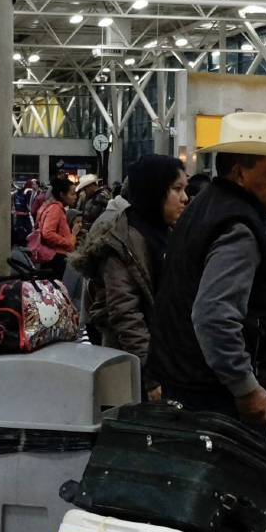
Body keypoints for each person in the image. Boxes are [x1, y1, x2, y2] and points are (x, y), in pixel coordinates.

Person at [145, 112, 266, 532]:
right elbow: (214, 316)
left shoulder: (204, 208)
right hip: (216, 392)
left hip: (185, 380)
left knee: (197, 512)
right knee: (230, 513)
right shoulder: (237, 224)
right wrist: (245, 386)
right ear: (241, 167)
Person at [71, 155, 188, 398]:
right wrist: (151, 375)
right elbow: (126, 314)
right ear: (154, 191)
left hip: (164, 360)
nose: (184, 197)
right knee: (125, 427)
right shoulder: (121, 242)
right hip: (128, 365)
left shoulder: (168, 233)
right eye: (177, 189)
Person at [34, 176, 80, 277]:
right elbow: (48, 233)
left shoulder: (48, 206)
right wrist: (67, 243)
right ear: (62, 195)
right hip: (56, 257)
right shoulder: (56, 208)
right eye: (72, 194)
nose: (75, 197)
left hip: (51, 256)